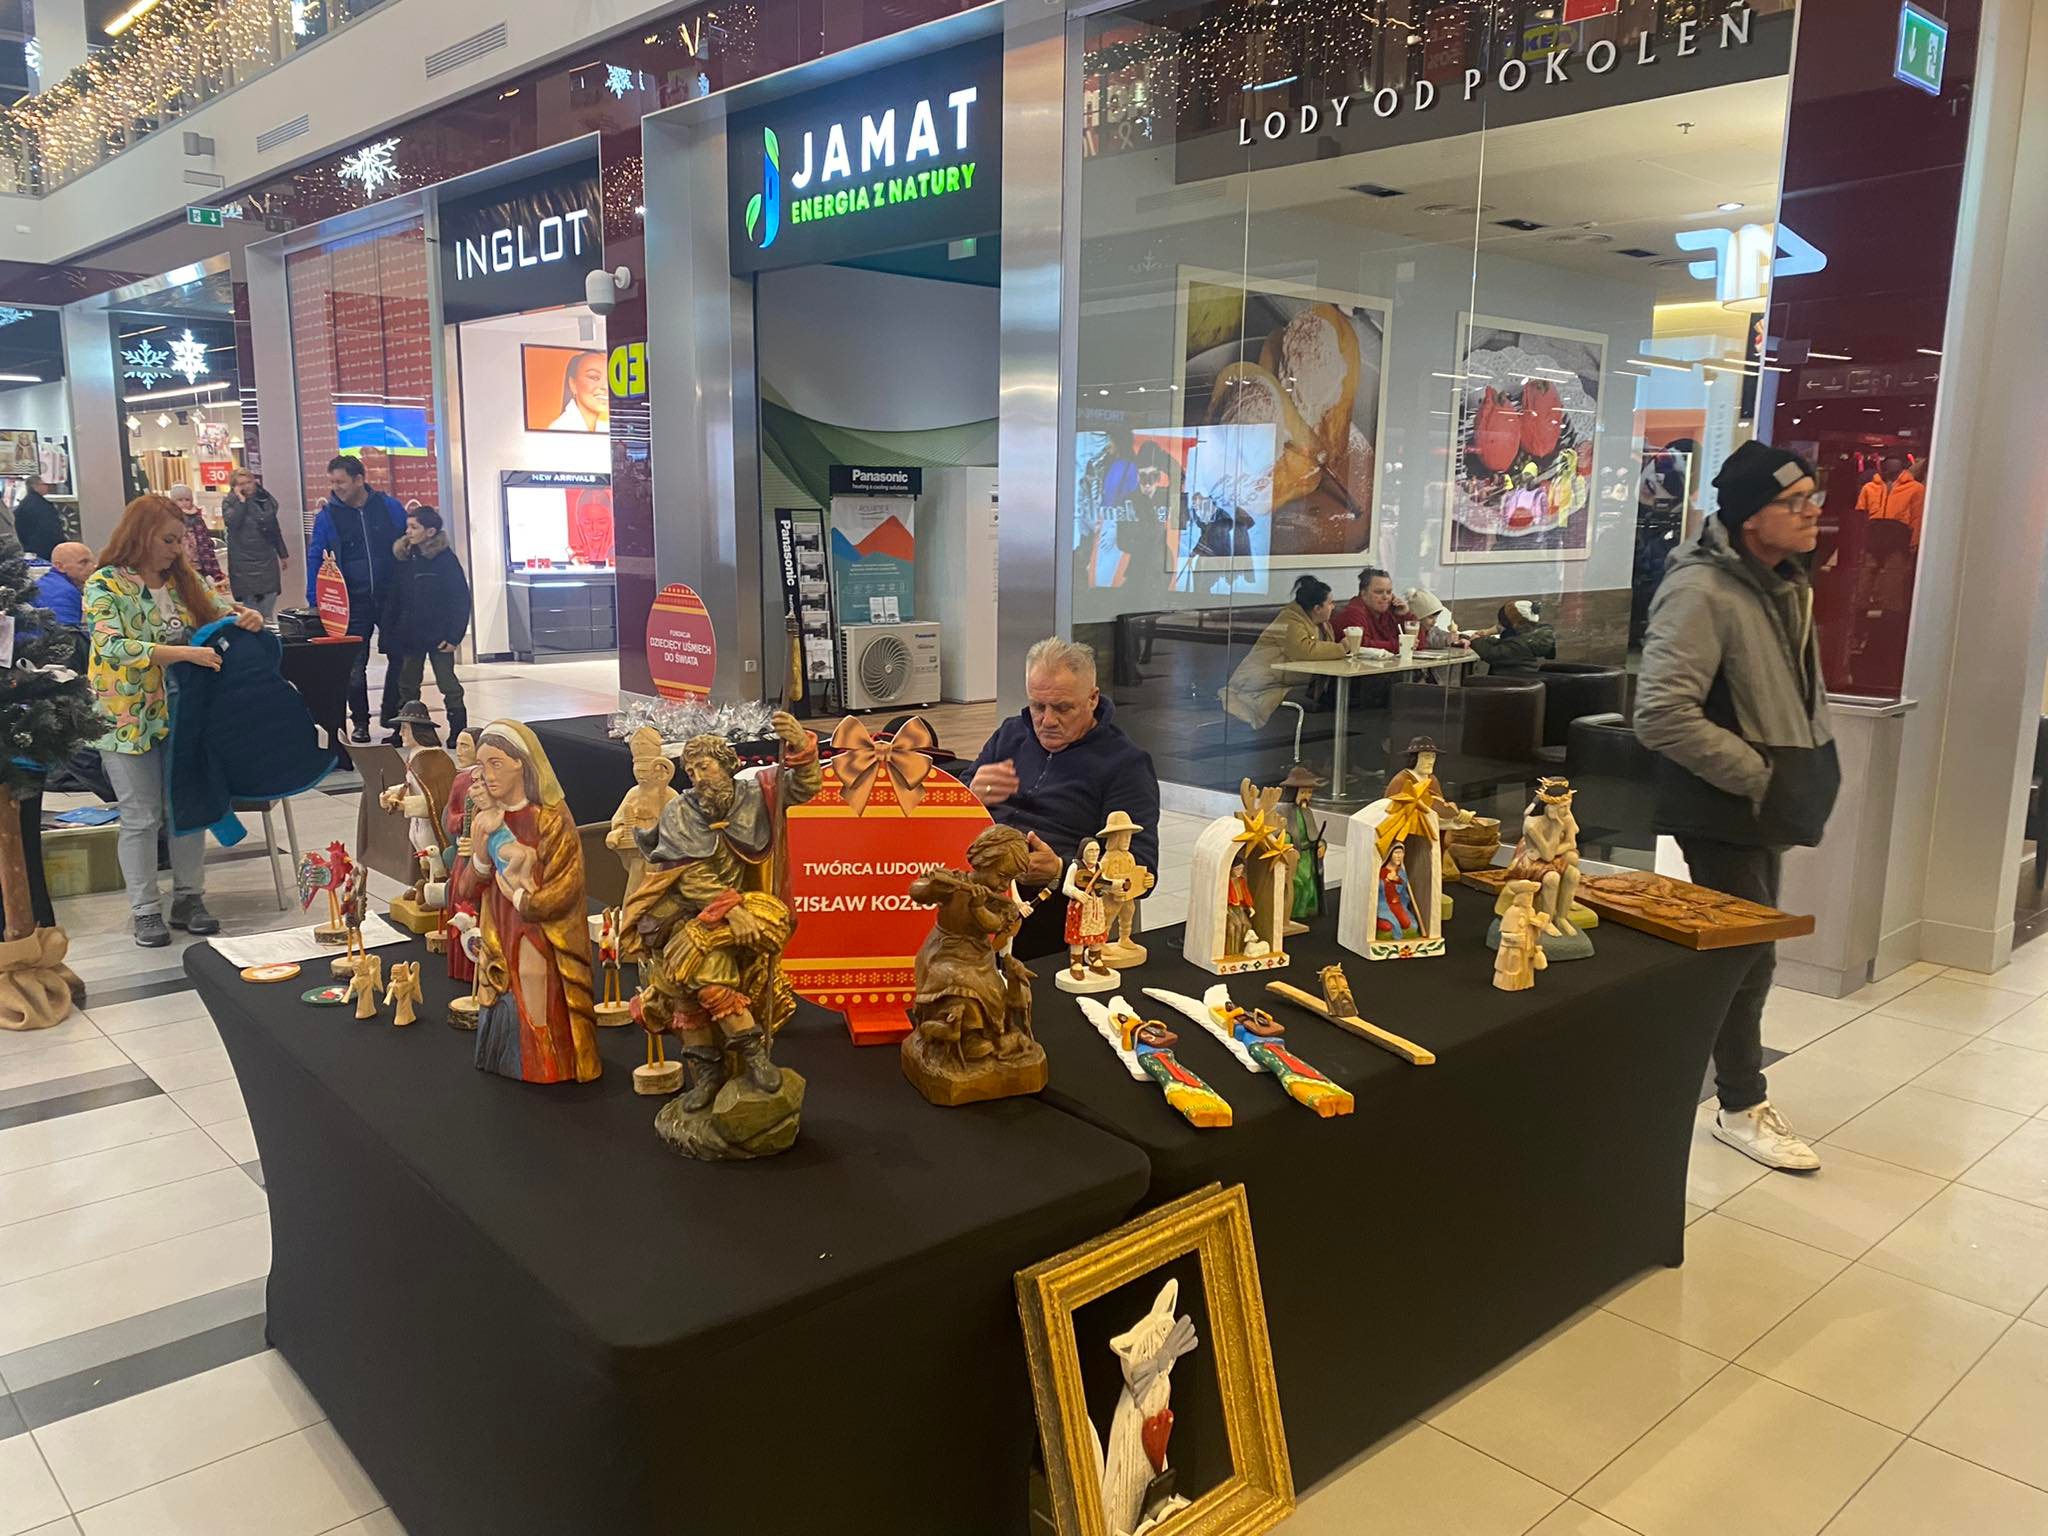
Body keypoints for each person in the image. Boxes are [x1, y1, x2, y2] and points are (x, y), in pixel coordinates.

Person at [1635, 440, 1840, 1173]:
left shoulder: (1780, 581)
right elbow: (1661, 713)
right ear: (1752, 516)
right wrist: (1758, 776)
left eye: (1814, 498)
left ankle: (1715, 1092)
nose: (1812, 513)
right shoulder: (1702, 589)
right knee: (1743, 958)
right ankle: (1739, 1105)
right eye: (1795, 502)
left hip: (1761, 807)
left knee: (1748, 955)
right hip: (1720, 807)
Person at [84, 493, 265, 946]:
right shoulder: (104, 584)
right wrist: (183, 653)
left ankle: (189, 897)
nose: (176, 549)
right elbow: (110, 646)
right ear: (141, 535)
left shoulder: (187, 580)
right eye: (168, 540)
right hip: (124, 720)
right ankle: (145, 910)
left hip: (184, 715)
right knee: (141, 815)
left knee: (186, 807)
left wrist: (248, 617)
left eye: (180, 540)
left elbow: (223, 613)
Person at [967, 638, 1161, 961]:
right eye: (1037, 706)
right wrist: (970, 794)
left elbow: (1141, 869)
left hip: (1052, 908)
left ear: (1092, 699)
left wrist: (1061, 868)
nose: (1047, 720)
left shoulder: (1125, 764)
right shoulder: (1011, 734)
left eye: (1062, 708)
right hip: (977, 883)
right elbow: (953, 801)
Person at [307, 454, 403, 743]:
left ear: (359, 479)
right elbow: (316, 557)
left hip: (390, 597)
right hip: (351, 602)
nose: (336, 488)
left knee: (400, 657)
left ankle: (395, 716)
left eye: (341, 482)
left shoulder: (389, 508)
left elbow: (407, 544)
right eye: (332, 482)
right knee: (353, 664)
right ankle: (360, 721)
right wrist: (315, 599)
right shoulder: (328, 517)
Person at [380, 505, 470, 743]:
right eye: (408, 527)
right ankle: (406, 731)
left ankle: (459, 730)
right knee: (407, 684)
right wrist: (389, 633)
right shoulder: (404, 559)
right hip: (410, 635)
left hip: (439, 635)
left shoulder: (445, 560)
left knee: (447, 683)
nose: (408, 532)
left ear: (430, 531)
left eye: (414, 527)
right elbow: (394, 598)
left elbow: (460, 598)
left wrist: (454, 636)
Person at [1221, 574, 1350, 730]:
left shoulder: (1322, 624)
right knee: (1325, 703)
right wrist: (1341, 648)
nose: (1333, 607)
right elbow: (1304, 651)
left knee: (1336, 698)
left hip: (1290, 682)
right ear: (1317, 608)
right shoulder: (1289, 620)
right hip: (1260, 684)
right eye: (1330, 603)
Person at [221, 468, 289, 618]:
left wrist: (282, 554)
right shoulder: (230, 502)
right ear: (234, 487)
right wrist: (242, 502)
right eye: (241, 484)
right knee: (251, 612)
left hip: (266, 559)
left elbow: (273, 528)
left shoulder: (264, 499)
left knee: (268, 609)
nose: (246, 486)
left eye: (249, 482)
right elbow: (232, 523)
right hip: (244, 563)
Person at [1856, 454, 1924, 547]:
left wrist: (1913, 543)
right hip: (1872, 540)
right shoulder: (1869, 488)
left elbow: (1917, 518)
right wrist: (1858, 542)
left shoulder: (1916, 489)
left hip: (1899, 540)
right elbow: (1859, 517)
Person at [1469, 599, 1556, 671]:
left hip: (1509, 680)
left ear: (1513, 625)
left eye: (1502, 622)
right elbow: (1504, 644)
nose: (1499, 625)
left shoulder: (1518, 644)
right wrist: (1486, 638)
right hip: (1524, 677)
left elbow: (1491, 654)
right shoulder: (1529, 638)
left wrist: (1475, 640)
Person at [1333, 567, 1403, 653]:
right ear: (1364, 594)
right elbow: (1360, 645)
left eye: (1389, 592)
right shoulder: (1353, 613)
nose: (1386, 597)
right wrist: (1400, 645)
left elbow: (1416, 644)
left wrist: (1405, 615)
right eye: (1379, 592)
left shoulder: (1389, 610)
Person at [166, 484, 224, 585]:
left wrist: (214, 570)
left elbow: (206, 543)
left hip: (200, 563)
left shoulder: (198, 519)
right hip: (180, 563)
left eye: (187, 500)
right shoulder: (169, 520)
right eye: (180, 500)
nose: (184, 503)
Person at [550, 350, 610, 432]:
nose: (606, 386)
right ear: (573, 384)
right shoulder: (560, 429)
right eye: (594, 377)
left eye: (609, 380)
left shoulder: (605, 428)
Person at [14, 476, 61, 560]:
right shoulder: (42, 506)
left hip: (29, 547)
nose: (47, 487)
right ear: (35, 486)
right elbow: (50, 527)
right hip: (45, 547)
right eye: (43, 484)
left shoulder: (24, 504)